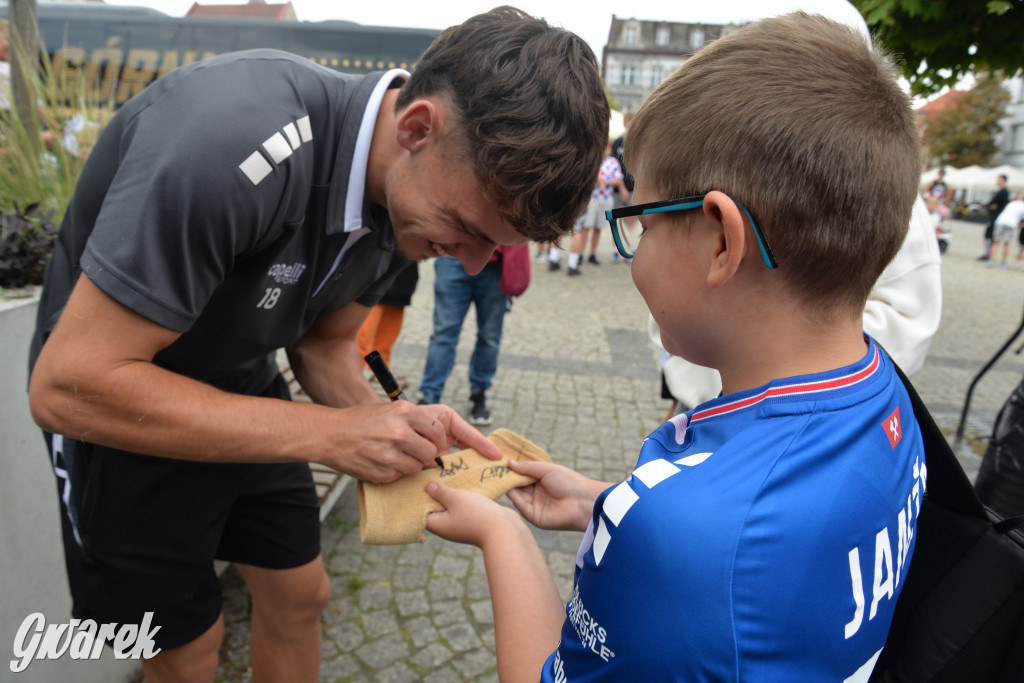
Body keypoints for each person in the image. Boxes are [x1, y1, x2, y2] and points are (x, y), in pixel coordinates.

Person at [26, 7, 609, 681]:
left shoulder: (409, 193)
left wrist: (391, 428)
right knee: (187, 652)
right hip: (120, 412)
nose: (473, 265)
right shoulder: (227, 141)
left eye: (495, 244)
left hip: (242, 380)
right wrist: (329, 435)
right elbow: (66, 384)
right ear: (417, 127)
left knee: (303, 594)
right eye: (466, 228)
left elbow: (325, 346)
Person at [424, 12, 925, 681]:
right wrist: (604, 504)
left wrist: (502, 534)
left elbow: (711, 557)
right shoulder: (882, 393)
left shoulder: (685, 537)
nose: (633, 252)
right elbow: (779, 564)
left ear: (721, 239)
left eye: (640, 218)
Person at [417, 249, 513, 425]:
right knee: (443, 334)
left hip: (494, 263)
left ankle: (479, 393)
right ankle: (429, 395)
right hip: (453, 257)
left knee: (489, 337)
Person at [566, 142, 628, 275]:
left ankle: (592, 253)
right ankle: (580, 253)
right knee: (585, 227)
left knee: (598, 228)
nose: (606, 151)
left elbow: (618, 179)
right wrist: (599, 180)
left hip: (606, 199)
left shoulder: (612, 162)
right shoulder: (592, 161)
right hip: (591, 200)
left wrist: (605, 182)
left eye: (608, 148)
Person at [357, 260, 419, 370]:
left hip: (402, 274)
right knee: (362, 338)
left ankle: (379, 371)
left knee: (385, 340)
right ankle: (356, 369)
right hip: (375, 269)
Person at [981, 173, 1011, 260]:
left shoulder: (1003, 192)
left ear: (1003, 180)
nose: (997, 181)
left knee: (989, 235)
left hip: (996, 217)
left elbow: (994, 202)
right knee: (990, 235)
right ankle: (988, 253)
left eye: (999, 179)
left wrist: (989, 206)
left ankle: (988, 254)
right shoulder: (1003, 191)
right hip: (996, 216)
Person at [990, 194, 1024, 268]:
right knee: (1006, 243)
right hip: (1011, 224)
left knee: (996, 242)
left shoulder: (1012, 203)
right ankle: (1003, 262)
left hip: (1000, 221)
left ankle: (992, 260)